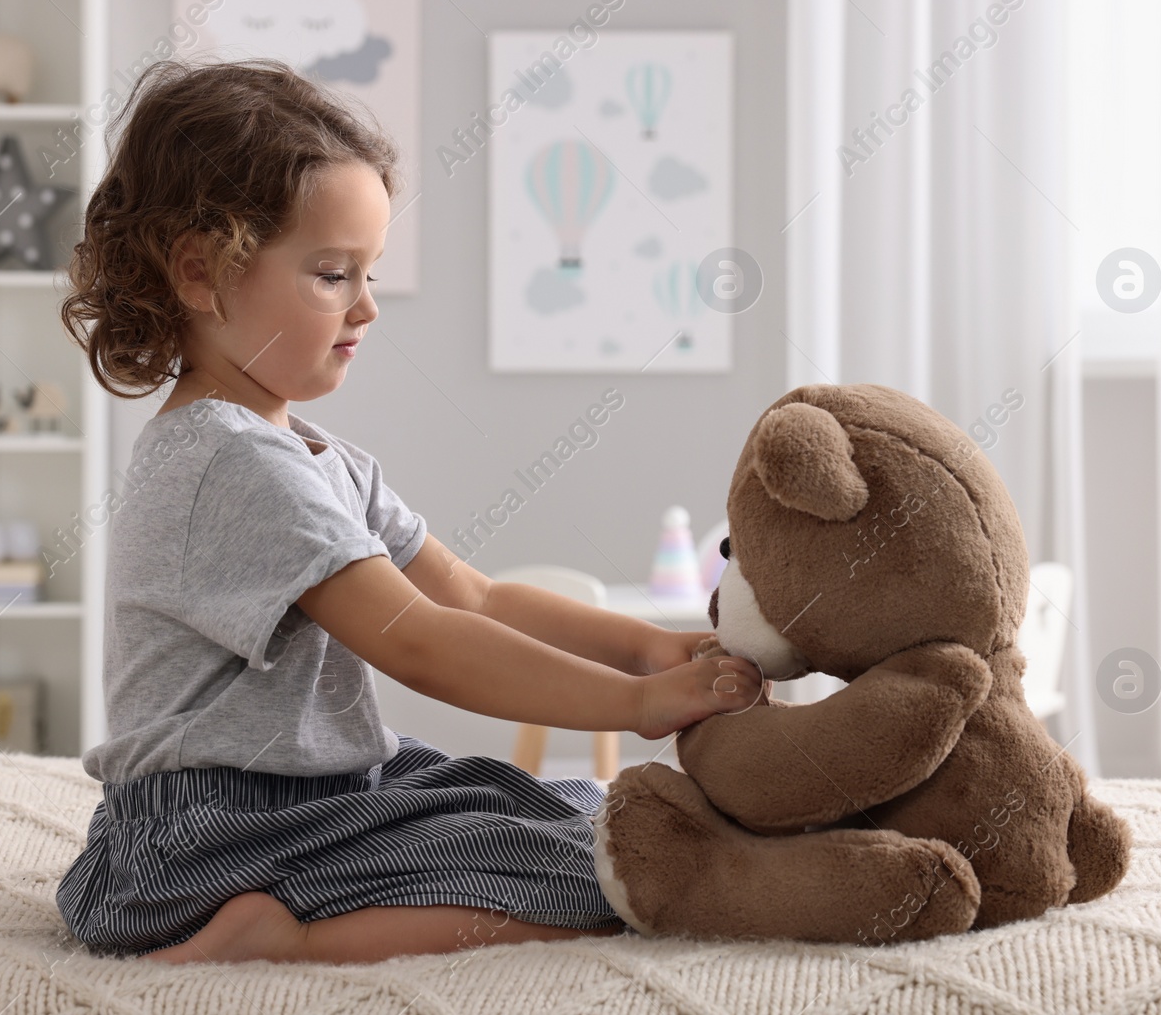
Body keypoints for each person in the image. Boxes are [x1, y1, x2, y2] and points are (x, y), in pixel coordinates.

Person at [53, 57, 764, 966]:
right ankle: (281, 937)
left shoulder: (315, 457)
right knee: (601, 880)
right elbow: (420, 640)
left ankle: (304, 911)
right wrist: (635, 703)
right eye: (332, 274)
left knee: (578, 815)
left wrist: (649, 647)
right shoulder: (229, 461)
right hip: (212, 835)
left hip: (313, 791)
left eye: (371, 273)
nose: (367, 307)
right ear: (201, 272)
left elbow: (473, 596)